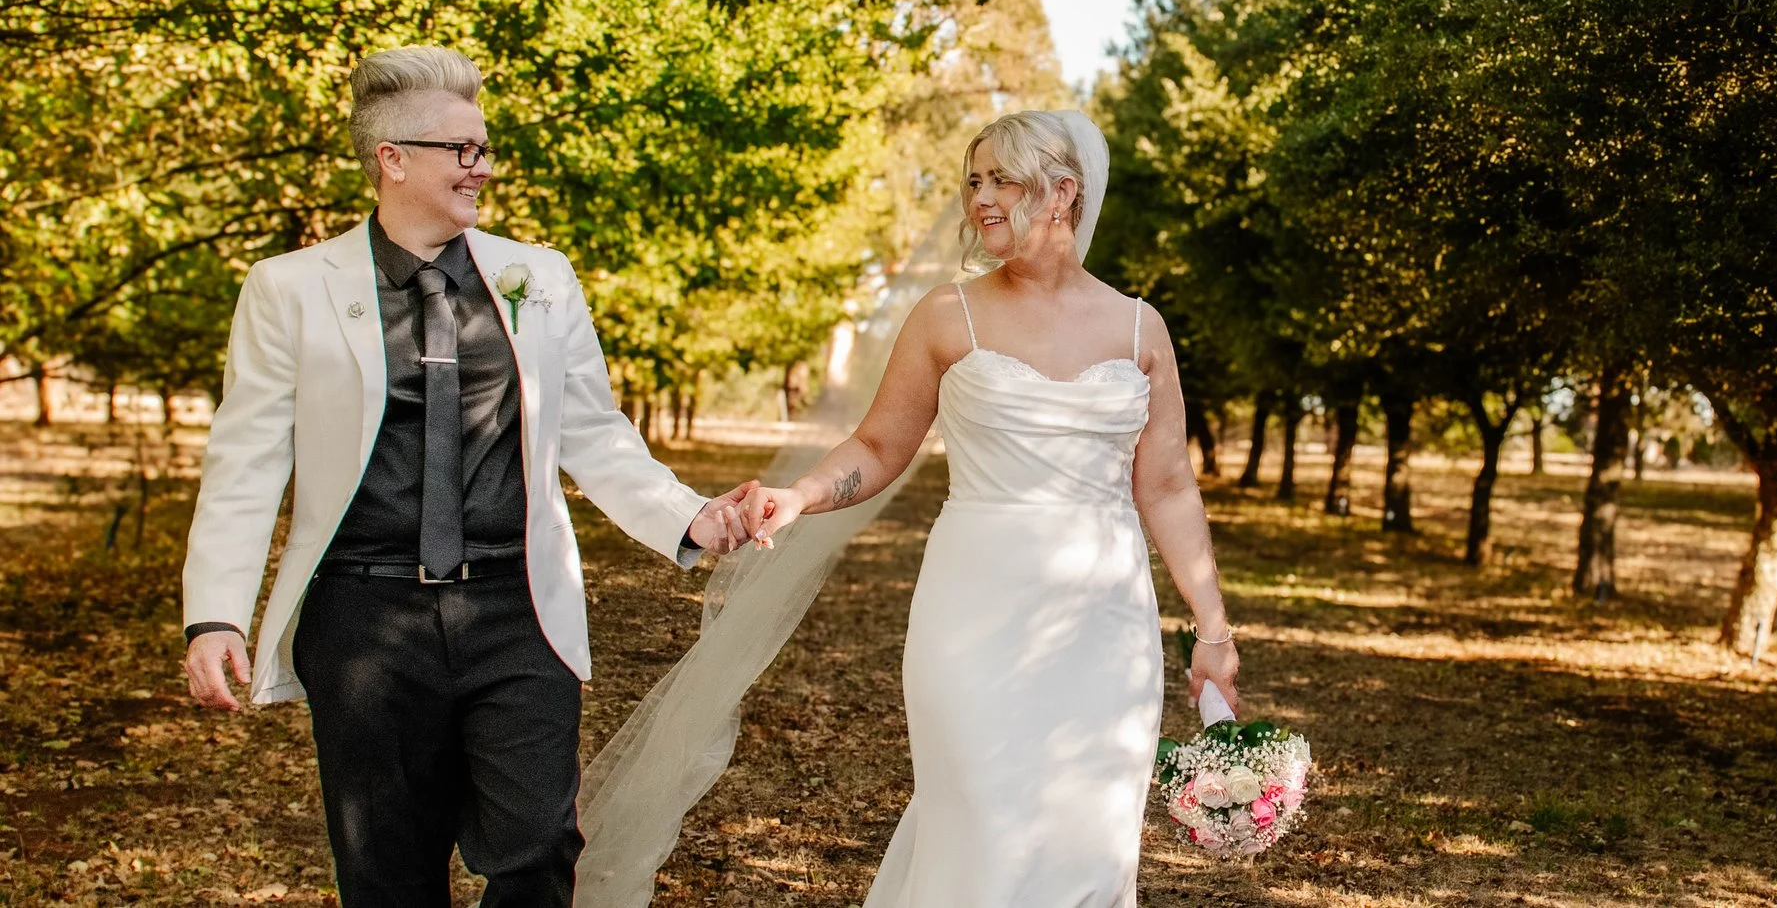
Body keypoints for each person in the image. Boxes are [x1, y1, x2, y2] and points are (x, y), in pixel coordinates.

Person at [179, 46, 756, 907]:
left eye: (483, 149)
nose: (481, 168)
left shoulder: (540, 277)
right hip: (363, 619)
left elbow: (593, 429)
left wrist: (689, 516)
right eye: (463, 150)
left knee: (536, 848)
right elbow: (247, 459)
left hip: (516, 607)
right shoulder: (288, 289)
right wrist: (215, 612)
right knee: (386, 872)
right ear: (393, 158)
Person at [738, 109, 1239, 907]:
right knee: (982, 825)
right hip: (972, 617)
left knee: (1090, 840)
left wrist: (1211, 629)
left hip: (1106, 628)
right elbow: (877, 446)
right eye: (974, 181)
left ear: (1063, 193)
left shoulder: (1142, 328)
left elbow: (1169, 485)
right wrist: (799, 495)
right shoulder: (948, 315)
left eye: (1003, 179)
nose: (980, 199)